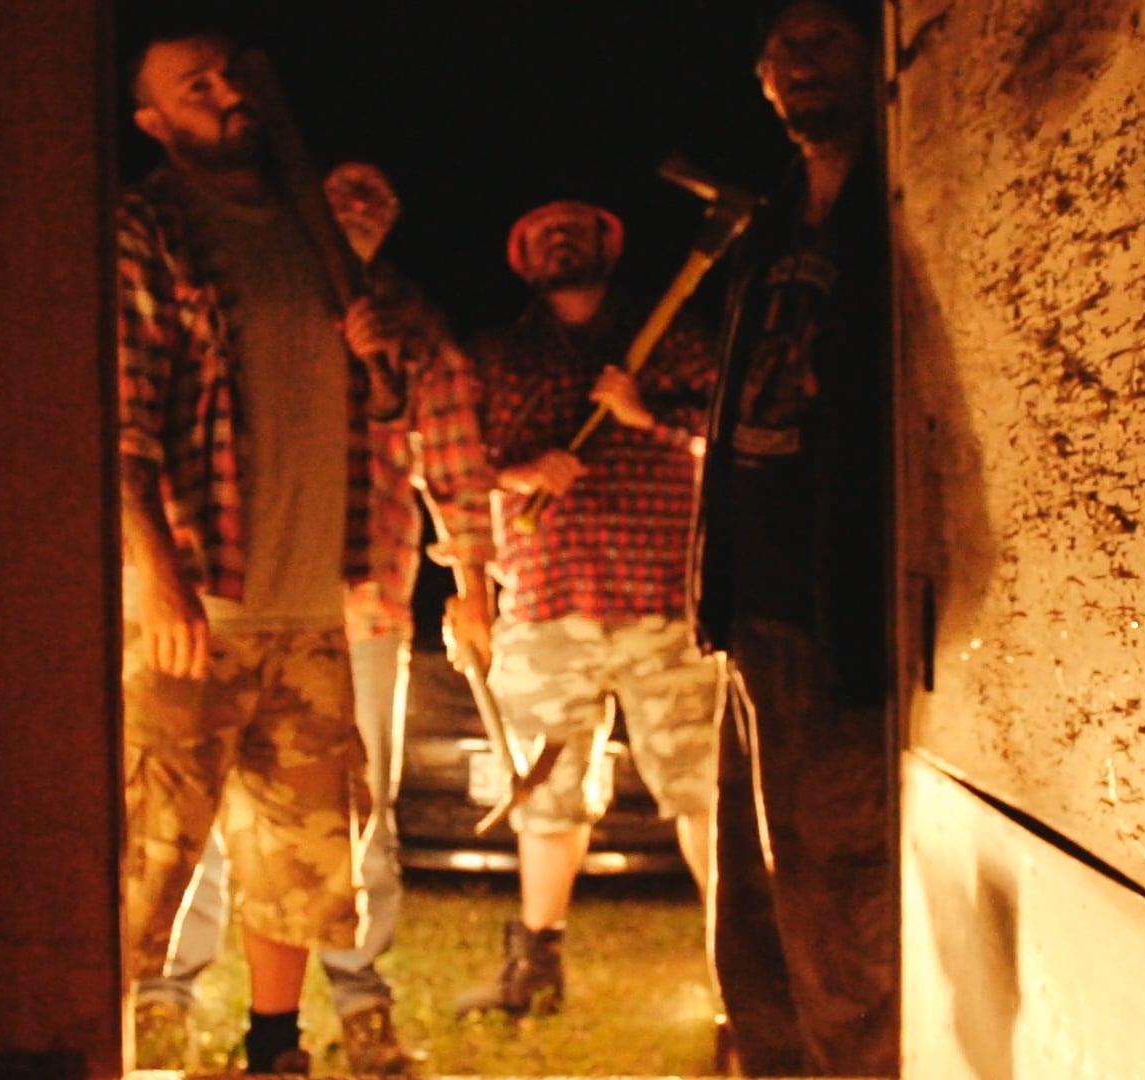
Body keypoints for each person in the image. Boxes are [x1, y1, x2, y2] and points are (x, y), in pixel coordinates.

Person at [115, 20, 443, 1075]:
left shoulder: (311, 235)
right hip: (193, 604)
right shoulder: (146, 228)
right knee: (147, 853)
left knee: (299, 856)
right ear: (153, 121)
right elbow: (120, 423)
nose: (225, 95)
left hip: (308, 599)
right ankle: (106, 1041)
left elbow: (375, 404)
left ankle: (274, 1051)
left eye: (229, 76)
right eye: (194, 87)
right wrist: (160, 581)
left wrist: (375, 362)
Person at [687, 2, 897, 1074]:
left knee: (841, 910)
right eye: (780, 51)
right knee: (755, 910)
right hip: (755, 608)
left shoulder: (897, 209)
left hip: (839, 606)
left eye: (823, 40)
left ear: (877, 51)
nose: (796, 63)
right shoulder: (770, 227)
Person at [455, 198, 722, 1018]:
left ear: (611, 242)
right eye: (543, 233)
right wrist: (520, 475)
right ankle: (534, 967)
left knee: (702, 789)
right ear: (522, 258)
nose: (561, 240)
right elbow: (460, 467)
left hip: (665, 604)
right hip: (546, 603)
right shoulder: (496, 356)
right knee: (545, 792)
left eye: (577, 227)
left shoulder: (677, 339)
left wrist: (650, 416)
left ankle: (741, 980)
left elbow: (729, 435)